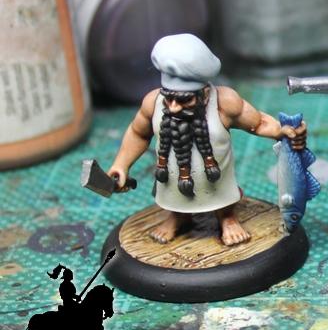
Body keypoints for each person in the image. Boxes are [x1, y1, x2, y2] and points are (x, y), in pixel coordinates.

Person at [106, 34, 306, 245]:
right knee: (173, 193)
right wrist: (121, 165)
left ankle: (227, 218)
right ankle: (178, 216)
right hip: (172, 175)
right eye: (169, 98)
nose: (173, 107)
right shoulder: (153, 102)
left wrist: (282, 130)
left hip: (216, 177)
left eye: (184, 100)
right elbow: (138, 133)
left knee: (219, 192)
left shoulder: (224, 103)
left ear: (204, 93)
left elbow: (258, 122)